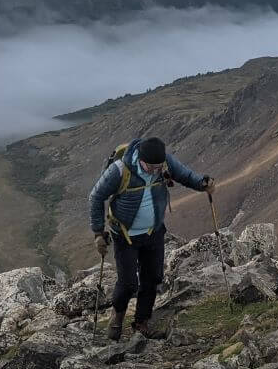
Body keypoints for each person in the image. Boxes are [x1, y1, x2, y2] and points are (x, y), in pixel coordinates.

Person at [88, 136, 212, 340]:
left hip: (153, 232)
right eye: (150, 167)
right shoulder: (120, 170)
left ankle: (141, 322)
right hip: (125, 236)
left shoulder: (164, 162)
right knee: (128, 283)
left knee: (153, 277)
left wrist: (202, 184)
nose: (155, 171)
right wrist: (98, 232)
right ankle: (117, 317)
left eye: (158, 168)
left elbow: (185, 175)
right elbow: (96, 196)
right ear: (140, 159)